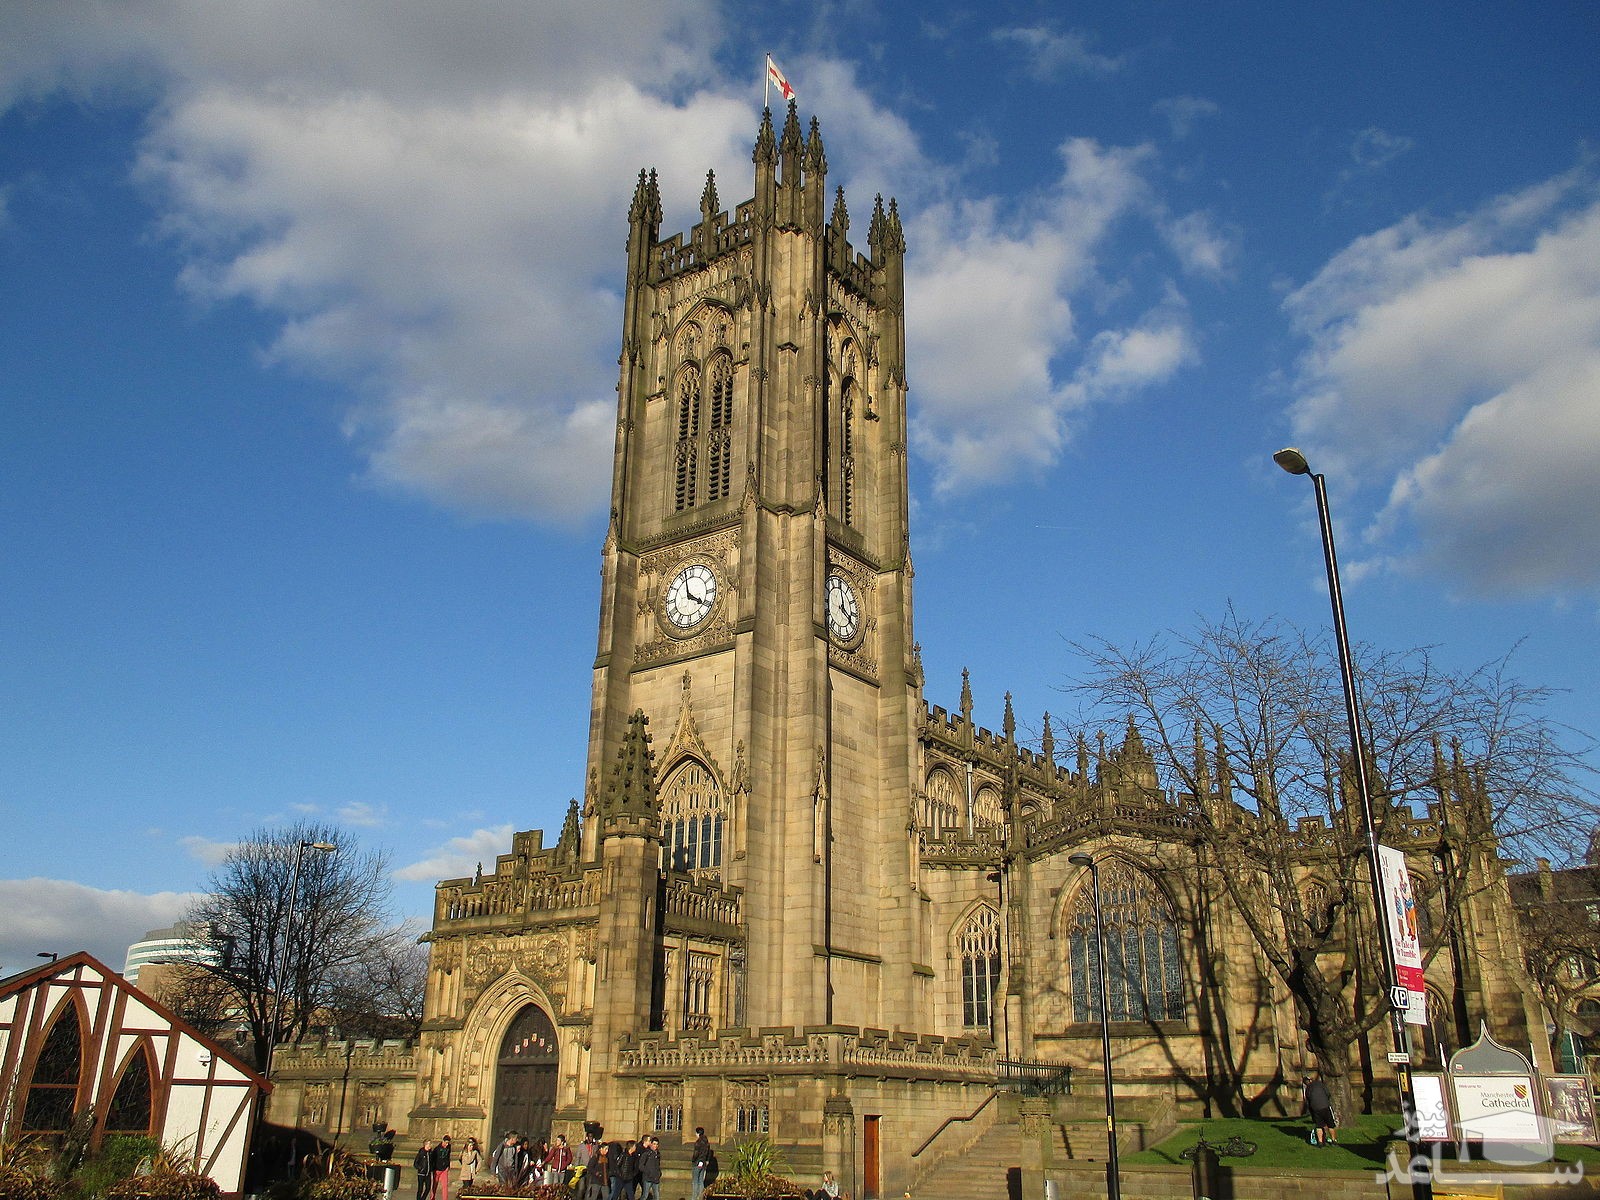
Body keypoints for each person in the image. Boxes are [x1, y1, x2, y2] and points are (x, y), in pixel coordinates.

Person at [1303, 1072, 1337, 1145]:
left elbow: (1308, 1102)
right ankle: (1334, 1140)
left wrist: (1312, 1113)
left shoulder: (1307, 1090)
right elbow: (1328, 1094)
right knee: (1331, 1124)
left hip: (1316, 1109)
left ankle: (1320, 1142)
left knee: (1319, 1126)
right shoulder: (1320, 1084)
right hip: (1325, 1106)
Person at [690, 1128, 713, 1200]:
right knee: (701, 1181)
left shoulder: (698, 1142)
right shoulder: (707, 1142)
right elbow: (708, 1153)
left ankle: (694, 1198)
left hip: (697, 1163)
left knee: (695, 1181)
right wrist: (707, 1160)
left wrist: (693, 1160)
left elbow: (696, 1153)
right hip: (703, 1163)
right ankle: (701, 1197)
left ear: (698, 1133)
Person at [636, 1136, 661, 1200]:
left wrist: (659, 1173)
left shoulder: (658, 1154)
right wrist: (648, 1172)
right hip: (647, 1178)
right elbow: (641, 1166)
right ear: (651, 1144)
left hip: (655, 1178)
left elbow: (658, 1165)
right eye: (654, 1144)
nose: (655, 1146)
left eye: (657, 1144)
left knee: (657, 1196)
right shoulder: (646, 1153)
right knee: (645, 1196)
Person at [431, 1135, 453, 1200]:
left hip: (444, 1169)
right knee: (435, 1185)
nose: (447, 1144)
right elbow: (433, 1158)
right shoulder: (437, 1149)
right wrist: (433, 1168)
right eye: (446, 1142)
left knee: (445, 1185)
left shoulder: (449, 1147)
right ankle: (432, 1197)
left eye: (448, 1143)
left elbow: (448, 1157)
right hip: (437, 1169)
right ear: (443, 1141)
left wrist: (448, 1166)